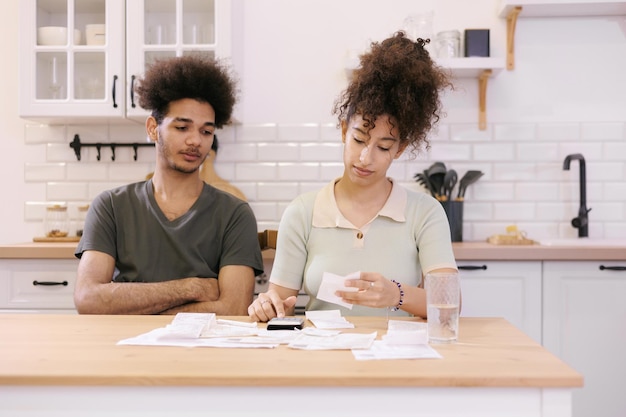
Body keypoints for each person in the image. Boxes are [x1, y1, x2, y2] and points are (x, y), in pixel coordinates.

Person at [248, 32, 458, 322]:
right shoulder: (302, 212)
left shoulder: (425, 213)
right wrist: (268, 306)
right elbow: (280, 301)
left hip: (398, 359)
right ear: (345, 132)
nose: (365, 158)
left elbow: (451, 304)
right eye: (359, 140)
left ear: (400, 149)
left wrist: (396, 294)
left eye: (383, 147)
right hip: (323, 358)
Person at [74, 55, 264, 315]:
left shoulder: (234, 214)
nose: (195, 141)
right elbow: (88, 299)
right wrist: (191, 288)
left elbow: (233, 309)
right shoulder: (110, 206)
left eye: (206, 131)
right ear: (153, 129)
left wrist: (133, 306)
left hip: (206, 351)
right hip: (124, 350)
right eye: (182, 127)